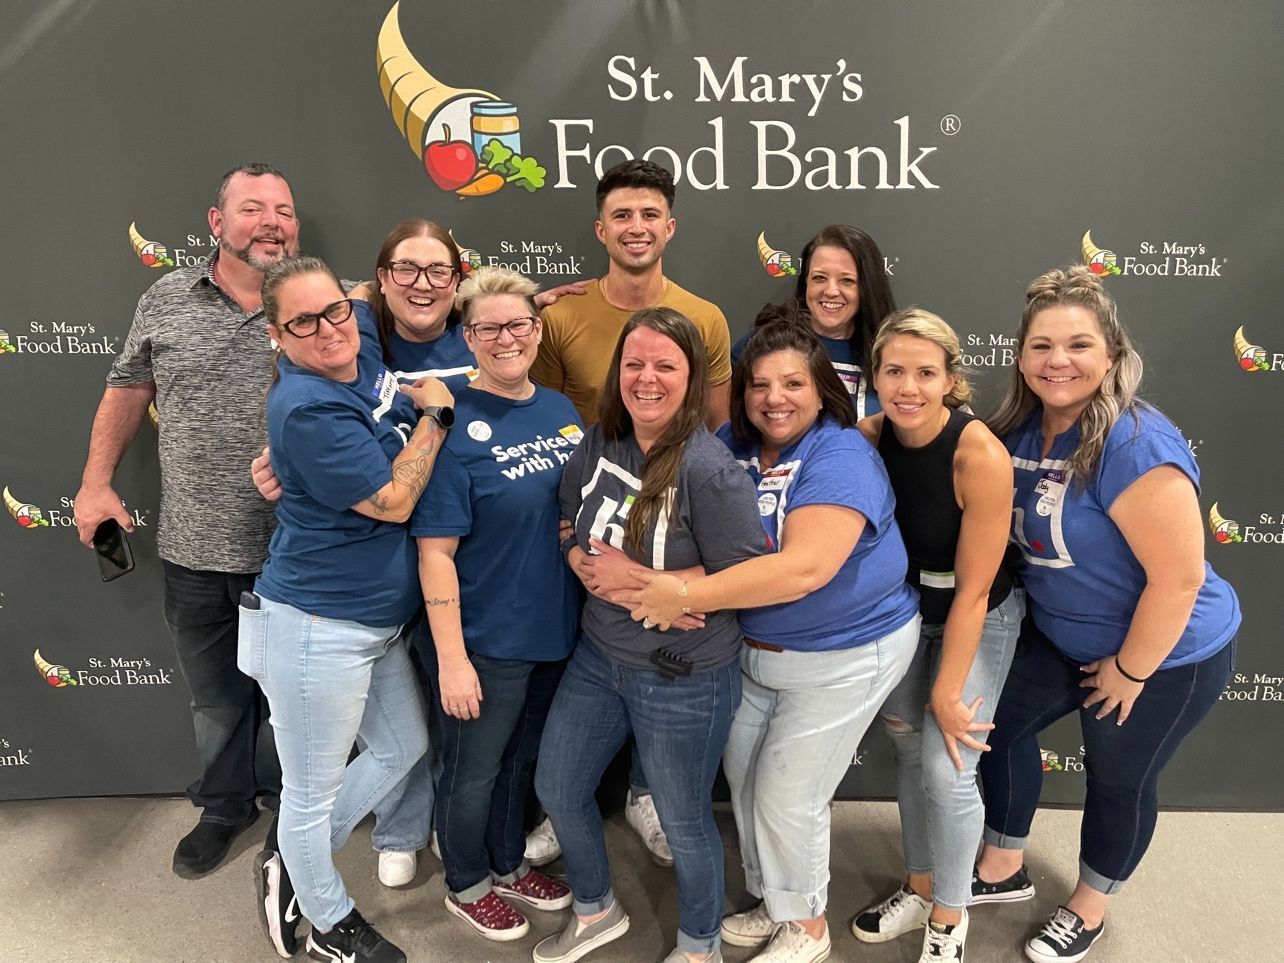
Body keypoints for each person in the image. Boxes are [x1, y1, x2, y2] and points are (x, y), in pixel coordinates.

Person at [249, 219, 586, 888]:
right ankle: (364, 856)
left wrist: (523, 309)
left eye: (439, 270)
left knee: (423, 741)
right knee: (436, 748)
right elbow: (382, 482)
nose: (421, 282)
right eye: (405, 269)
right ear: (381, 282)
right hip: (366, 586)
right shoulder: (363, 334)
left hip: (438, 584)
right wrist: (293, 458)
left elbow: (501, 325)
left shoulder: (538, 389)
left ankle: (331, 852)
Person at [625, 320, 921, 963]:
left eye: (793, 383)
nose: (773, 398)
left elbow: (804, 568)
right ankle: (777, 901)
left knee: (788, 793)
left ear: (822, 392)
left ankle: (808, 930)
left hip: (845, 652)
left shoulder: (839, 454)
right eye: (758, 384)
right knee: (747, 781)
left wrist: (681, 596)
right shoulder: (731, 443)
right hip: (755, 654)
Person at [974, 267, 1239, 963]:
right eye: (1041, 345)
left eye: (1078, 344)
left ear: (1113, 356)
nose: (1057, 360)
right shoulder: (1017, 429)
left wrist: (1129, 669)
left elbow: (1179, 579)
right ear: (1021, 356)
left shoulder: (1134, 444)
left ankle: (1089, 904)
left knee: (1119, 776)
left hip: (1165, 652)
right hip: (1062, 636)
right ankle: (1001, 865)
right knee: (992, 728)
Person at [73, 163, 297, 878]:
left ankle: (299, 810)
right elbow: (127, 388)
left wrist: (520, 304)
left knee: (298, 698)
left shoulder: (318, 299)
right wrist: (95, 482)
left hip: (299, 551)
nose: (271, 222)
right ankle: (226, 806)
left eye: (284, 210)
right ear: (216, 221)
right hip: (195, 549)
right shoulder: (166, 296)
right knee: (218, 699)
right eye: (252, 208)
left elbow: (427, 312)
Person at [532, 308, 766, 963]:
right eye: (635, 363)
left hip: (683, 673)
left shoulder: (709, 469)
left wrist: (656, 583)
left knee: (686, 819)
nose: (647, 377)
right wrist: (582, 560)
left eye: (666, 364)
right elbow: (567, 516)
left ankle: (700, 945)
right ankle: (595, 908)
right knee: (559, 786)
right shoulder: (600, 437)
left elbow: (749, 574)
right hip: (599, 655)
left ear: (691, 377)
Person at [242, 255, 454, 963]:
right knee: (309, 790)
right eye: (304, 321)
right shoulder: (305, 406)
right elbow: (393, 502)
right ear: (277, 335)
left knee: (402, 746)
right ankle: (326, 920)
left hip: (375, 623)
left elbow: (368, 289)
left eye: (333, 309)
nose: (329, 327)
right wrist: (435, 418)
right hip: (315, 627)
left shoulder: (351, 320)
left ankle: (291, 854)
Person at [531, 158, 734, 867]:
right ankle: (571, 797)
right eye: (622, 215)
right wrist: (578, 543)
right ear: (600, 228)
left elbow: (710, 428)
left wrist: (681, 577)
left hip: (669, 528)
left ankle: (648, 793)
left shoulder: (703, 317)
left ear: (670, 226)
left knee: (663, 654)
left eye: (649, 214)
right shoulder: (559, 314)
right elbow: (548, 417)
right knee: (588, 658)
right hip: (584, 514)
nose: (636, 226)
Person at [412, 267, 582, 941]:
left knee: (519, 761)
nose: (506, 338)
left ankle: (508, 862)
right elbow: (434, 551)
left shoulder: (562, 412)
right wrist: (452, 659)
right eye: (488, 327)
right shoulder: (450, 419)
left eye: (519, 324)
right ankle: (467, 881)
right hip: (482, 635)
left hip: (554, 629)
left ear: (537, 330)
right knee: (472, 768)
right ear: (468, 336)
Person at [848, 308, 1020, 963]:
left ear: (951, 379)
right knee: (908, 749)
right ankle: (919, 886)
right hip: (904, 615)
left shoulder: (979, 454)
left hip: (977, 613)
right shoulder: (864, 438)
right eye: (894, 370)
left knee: (949, 769)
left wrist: (948, 689)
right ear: (876, 377)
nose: (908, 386)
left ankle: (950, 915)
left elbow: (974, 589)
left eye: (926, 372)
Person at [732, 225, 896, 418]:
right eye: (819, 278)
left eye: (847, 281)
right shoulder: (761, 344)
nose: (831, 291)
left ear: (867, 287)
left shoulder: (891, 352)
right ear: (806, 282)